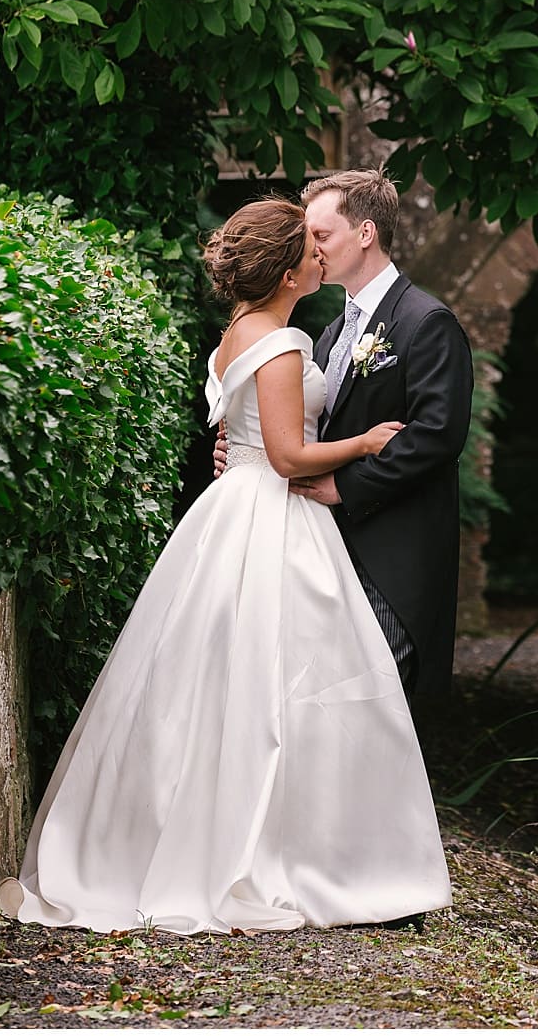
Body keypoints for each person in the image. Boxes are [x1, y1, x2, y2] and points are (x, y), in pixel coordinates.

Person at [0, 197, 452, 935]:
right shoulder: (280, 340)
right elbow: (288, 454)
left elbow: (251, 432)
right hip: (273, 511)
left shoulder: (245, 331)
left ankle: (294, 843)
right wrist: (365, 442)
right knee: (288, 681)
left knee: (235, 684)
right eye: (307, 245)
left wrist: (250, 447)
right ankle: (289, 854)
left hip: (241, 506)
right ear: (285, 268)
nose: (317, 254)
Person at [217, 168, 474, 705]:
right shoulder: (332, 332)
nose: (311, 250)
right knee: (325, 709)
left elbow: (436, 435)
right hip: (325, 549)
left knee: (378, 705)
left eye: (321, 236)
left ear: (365, 234)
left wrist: (345, 486)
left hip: (394, 552)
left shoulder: (427, 321)